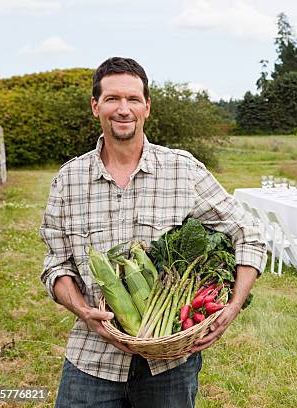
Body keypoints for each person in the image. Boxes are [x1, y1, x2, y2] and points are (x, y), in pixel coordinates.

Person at [39, 57, 267, 408]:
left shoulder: (182, 169)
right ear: (95, 106)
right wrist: (84, 310)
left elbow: (248, 232)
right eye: (112, 98)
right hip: (91, 357)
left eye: (132, 99)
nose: (123, 109)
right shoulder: (68, 179)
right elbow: (56, 266)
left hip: (170, 365)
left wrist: (233, 305)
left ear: (147, 106)